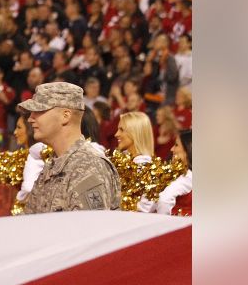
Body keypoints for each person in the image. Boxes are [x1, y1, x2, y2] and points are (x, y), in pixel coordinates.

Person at [21, 82, 121, 214]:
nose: (30, 119)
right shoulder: (52, 164)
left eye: (39, 111)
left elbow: (91, 230)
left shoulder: (89, 166)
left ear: (65, 116)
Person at [114, 111, 159, 212]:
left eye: (121, 130)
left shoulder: (145, 165)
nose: (116, 134)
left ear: (135, 133)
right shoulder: (124, 160)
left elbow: (146, 208)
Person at [156, 129, 192, 217]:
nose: (172, 149)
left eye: (176, 145)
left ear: (188, 149)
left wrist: (162, 222)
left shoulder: (187, 177)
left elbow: (164, 200)